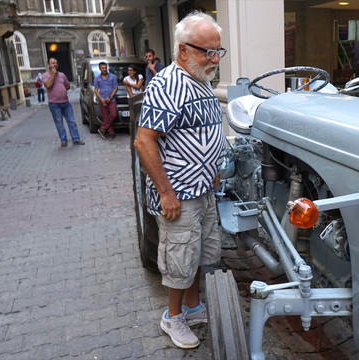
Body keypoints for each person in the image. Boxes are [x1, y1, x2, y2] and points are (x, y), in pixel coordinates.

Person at [133, 11, 226, 349]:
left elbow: (201, 132)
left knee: (198, 252)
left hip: (202, 189)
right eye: (207, 51)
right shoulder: (169, 84)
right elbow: (144, 141)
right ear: (183, 50)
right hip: (178, 195)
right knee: (179, 257)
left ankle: (192, 306)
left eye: (218, 51)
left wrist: (211, 167)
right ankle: (172, 317)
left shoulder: (200, 79)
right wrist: (165, 192)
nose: (214, 58)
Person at [42, 58, 84, 147]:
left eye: (56, 63)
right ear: (48, 65)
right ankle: (63, 140)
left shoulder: (62, 75)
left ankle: (76, 139)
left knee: (71, 121)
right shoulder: (45, 76)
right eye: (53, 63)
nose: (55, 64)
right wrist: (53, 74)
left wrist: (61, 90)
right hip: (54, 104)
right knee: (59, 122)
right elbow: (48, 85)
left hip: (65, 102)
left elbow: (68, 86)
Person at [94, 62, 118, 140]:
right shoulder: (97, 78)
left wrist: (110, 97)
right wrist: (101, 99)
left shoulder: (113, 77)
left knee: (113, 114)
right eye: (102, 68)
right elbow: (96, 90)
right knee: (105, 117)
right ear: (100, 68)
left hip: (111, 99)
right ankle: (111, 133)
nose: (104, 69)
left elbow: (115, 88)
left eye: (105, 67)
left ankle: (102, 128)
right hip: (102, 100)